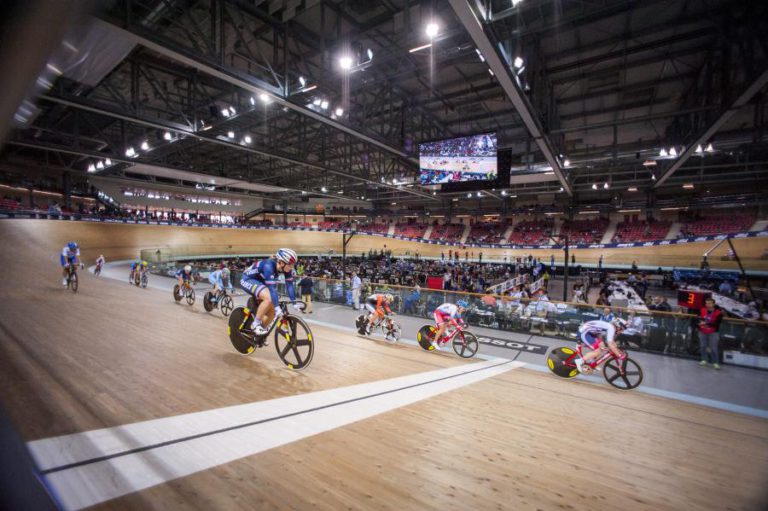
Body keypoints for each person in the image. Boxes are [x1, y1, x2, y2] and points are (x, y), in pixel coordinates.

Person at [240, 248, 299, 336]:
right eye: (290, 265)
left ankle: (260, 333)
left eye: (293, 265)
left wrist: (295, 303)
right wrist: (277, 307)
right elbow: (272, 289)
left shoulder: (286, 268)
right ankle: (255, 324)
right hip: (248, 279)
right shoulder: (269, 265)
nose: (292, 267)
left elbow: (289, 285)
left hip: (260, 281)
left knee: (273, 310)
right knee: (269, 298)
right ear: (281, 262)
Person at [698, 297, 723, 369]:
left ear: (713, 304)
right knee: (703, 346)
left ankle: (715, 362)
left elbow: (717, 323)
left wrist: (706, 324)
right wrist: (700, 322)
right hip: (702, 331)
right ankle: (704, 360)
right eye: (706, 303)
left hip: (713, 332)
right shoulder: (702, 310)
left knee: (713, 348)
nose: (707, 305)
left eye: (709, 303)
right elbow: (699, 318)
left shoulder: (719, 313)